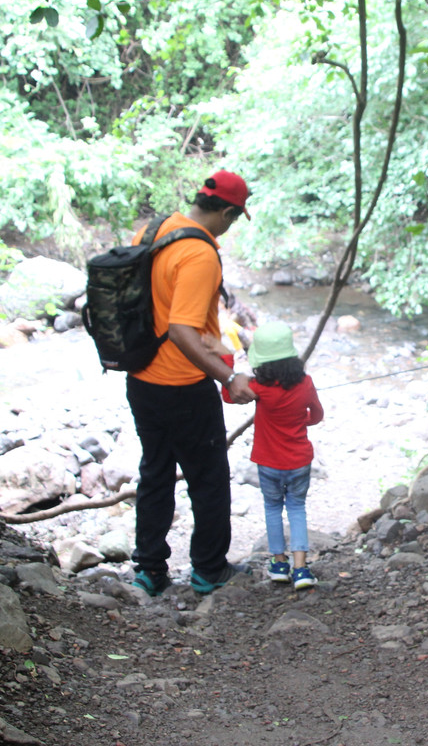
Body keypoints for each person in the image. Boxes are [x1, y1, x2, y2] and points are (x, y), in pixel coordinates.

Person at [127, 170, 257, 597]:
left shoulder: (152, 229)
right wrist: (229, 376)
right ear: (227, 211)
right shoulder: (200, 253)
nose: (230, 227)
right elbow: (182, 330)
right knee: (209, 478)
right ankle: (208, 569)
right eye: (234, 219)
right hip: (182, 385)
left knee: (156, 473)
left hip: (141, 378)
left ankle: (149, 570)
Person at [246, 321, 324, 590]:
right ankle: (301, 569)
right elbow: (317, 415)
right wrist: (301, 421)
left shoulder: (258, 387)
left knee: (272, 509)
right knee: (296, 508)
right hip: (299, 460)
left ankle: (279, 565)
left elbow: (228, 395)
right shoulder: (306, 383)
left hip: (268, 462)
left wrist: (223, 358)